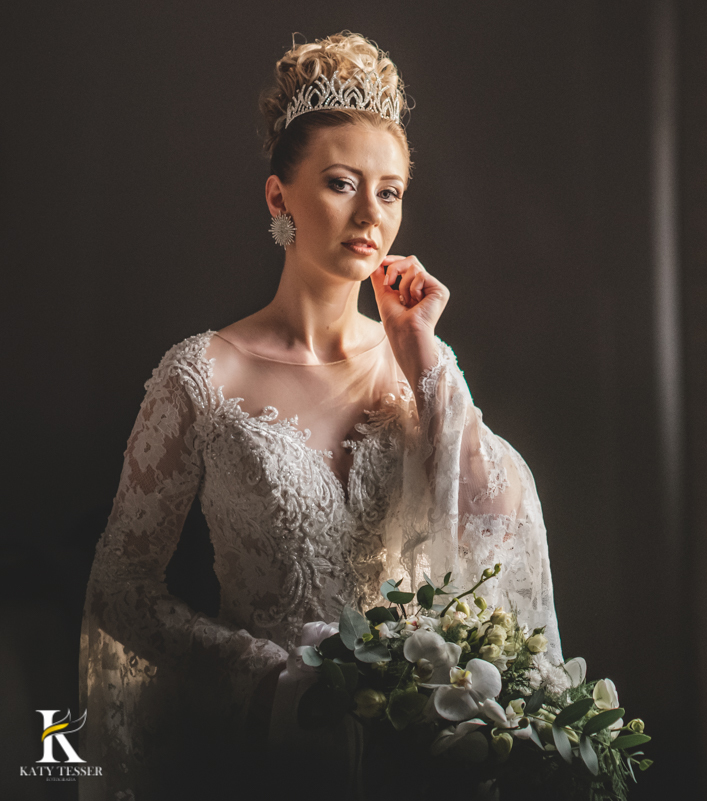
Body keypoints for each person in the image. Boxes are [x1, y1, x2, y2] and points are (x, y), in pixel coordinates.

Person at [76, 32, 562, 799]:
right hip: (262, 755)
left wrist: (420, 349)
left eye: (391, 191)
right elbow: (120, 586)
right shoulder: (201, 375)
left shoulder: (420, 368)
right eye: (342, 183)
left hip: (409, 755)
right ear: (279, 198)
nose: (371, 214)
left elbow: (500, 518)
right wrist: (265, 678)